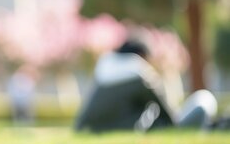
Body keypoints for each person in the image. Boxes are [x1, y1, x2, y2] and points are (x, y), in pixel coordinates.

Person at [75, 38, 218, 132]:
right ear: (141, 55)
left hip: (101, 129)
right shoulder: (139, 74)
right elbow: (169, 116)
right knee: (204, 100)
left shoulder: (103, 72)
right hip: (139, 129)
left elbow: (81, 122)